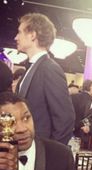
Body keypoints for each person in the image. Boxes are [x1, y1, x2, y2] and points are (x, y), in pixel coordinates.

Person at [14, 13, 75, 145]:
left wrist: (50, 154)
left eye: (19, 32)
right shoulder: (32, 67)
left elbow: (65, 119)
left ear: (32, 35)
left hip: (40, 152)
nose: (16, 37)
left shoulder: (49, 68)